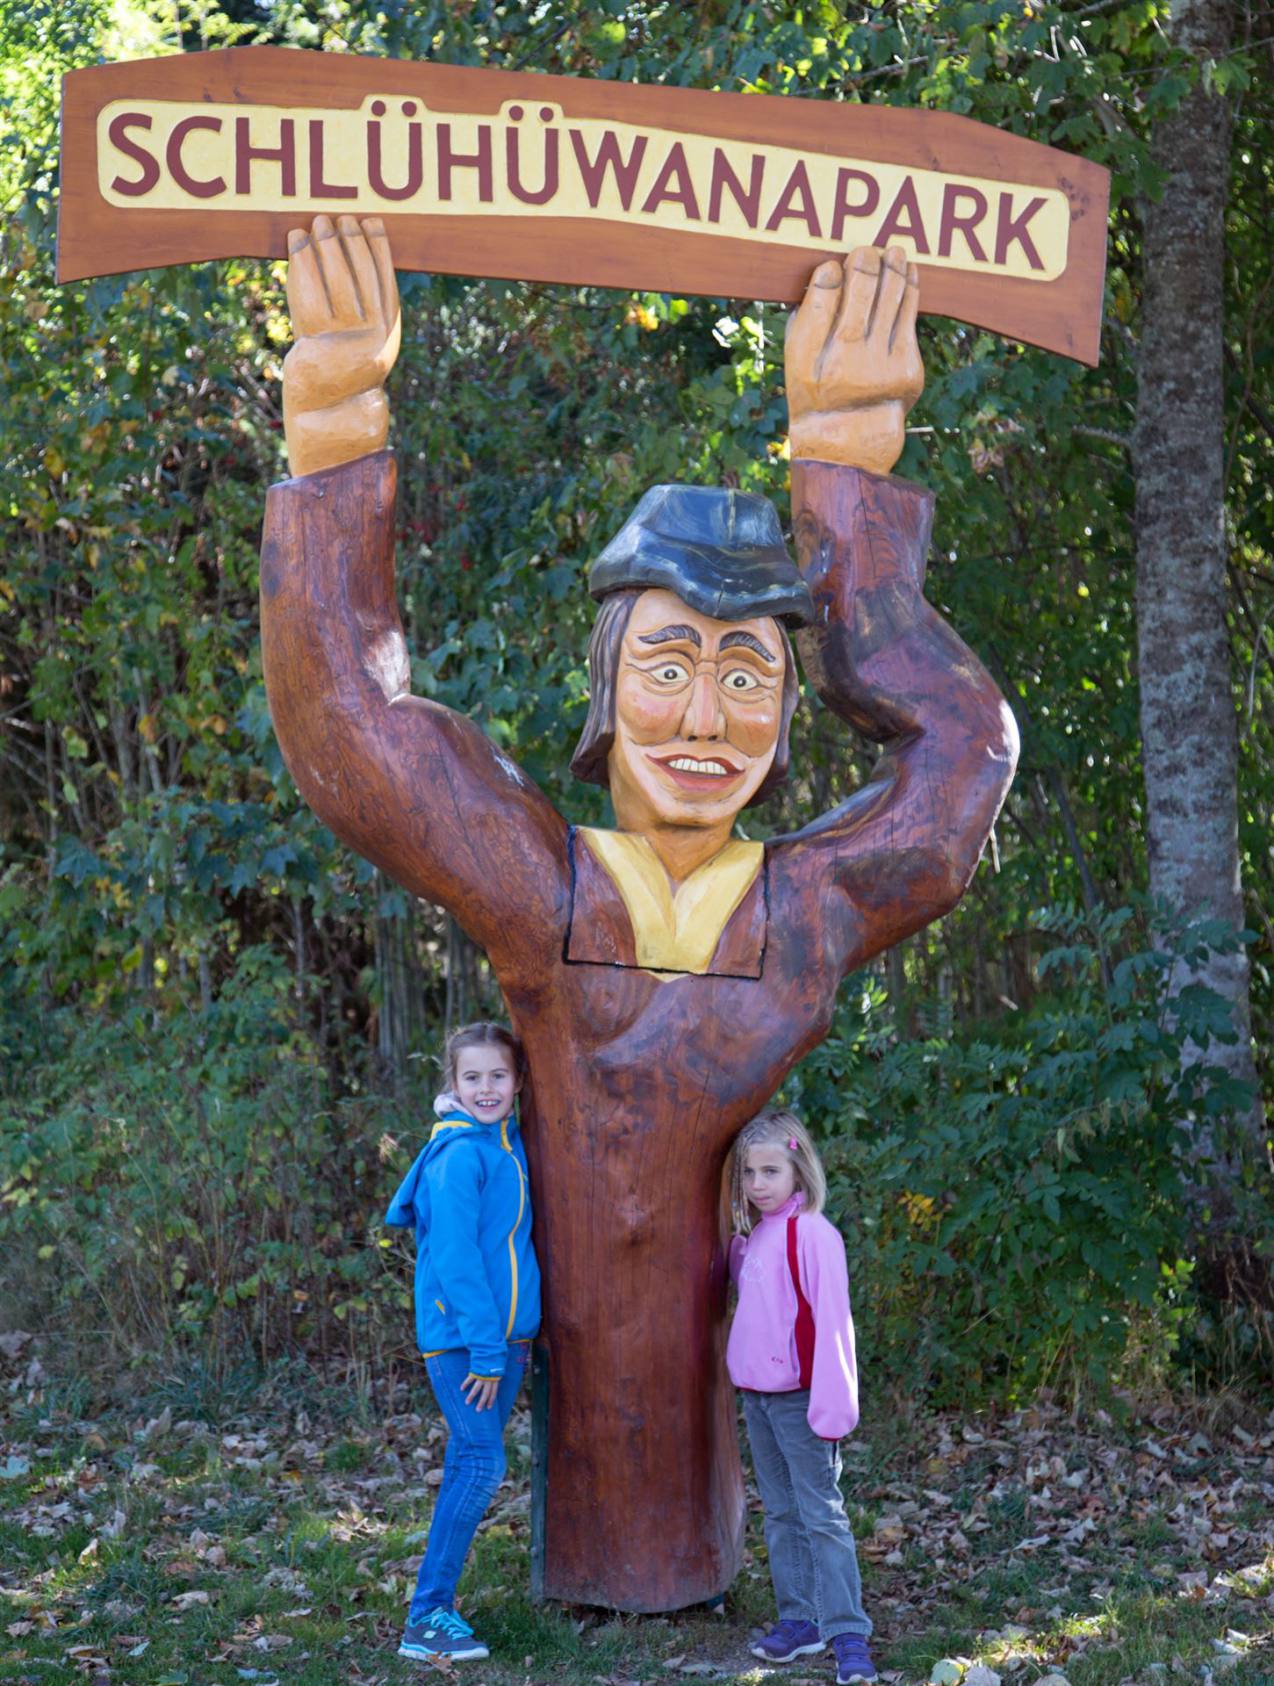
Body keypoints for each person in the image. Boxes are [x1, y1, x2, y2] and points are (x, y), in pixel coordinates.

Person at [261, 216, 1018, 1609]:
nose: (704, 717)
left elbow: (957, 766)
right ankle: (600, 1575)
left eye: (748, 675)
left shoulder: (801, 900)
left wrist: (847, 480)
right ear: (608, 685)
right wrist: (335, 419)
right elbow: (356, 732)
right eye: (668, 664)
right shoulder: (545, 883)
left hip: (710, 1393)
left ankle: (729, 1574)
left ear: (791, 711)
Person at [384, 1021, 541, 1664]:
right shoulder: (460, 1154)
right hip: (468, 1346)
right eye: (471, 1077)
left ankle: (436, 1605)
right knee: (482, 1464)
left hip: (504, 1342)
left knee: (467, 1462)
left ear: (518, 1082)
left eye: (498, 1076)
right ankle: (427, 1615)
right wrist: (485, 1350)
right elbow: (453, 1258)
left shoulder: (504, 1142)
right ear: (452, 1083)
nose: (486, 1087)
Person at [727, 1109, 874, 1685]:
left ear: (799, 1171)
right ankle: (800, 1621)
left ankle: (848, 1632)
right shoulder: (760, 1234)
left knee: (822, 1516)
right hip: (759, 1401)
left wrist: (832, 1407)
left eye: (770, 1171)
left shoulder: (814, 1234)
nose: (758, 1184)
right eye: (748, 1174)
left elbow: (834, 1323)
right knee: (782, 1514)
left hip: (802, 1401)